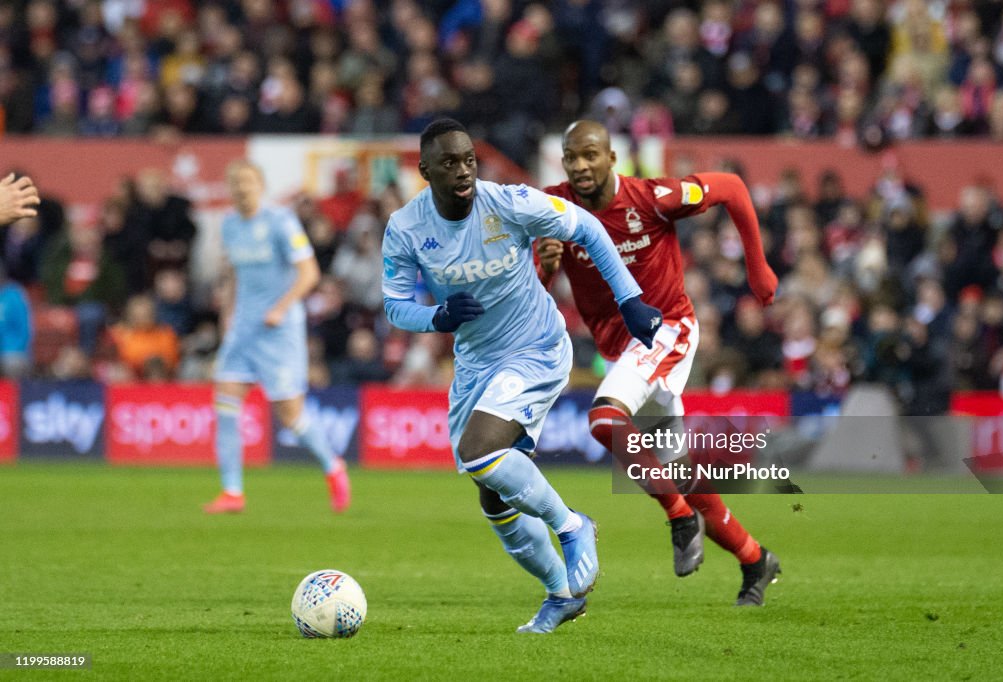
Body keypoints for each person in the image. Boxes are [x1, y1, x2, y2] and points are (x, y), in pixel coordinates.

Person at [382, 118, 663, 633]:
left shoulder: (508, 202)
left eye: (468, 159)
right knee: (493, 494)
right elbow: (395, 306)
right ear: (424, 171)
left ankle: (574, 525)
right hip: (475, 364)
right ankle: (562, 594)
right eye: (449, 163)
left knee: (479, 451)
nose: (464, 170)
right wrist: (436, 318)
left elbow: (588, 227)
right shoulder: (405, 228)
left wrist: (630, 300)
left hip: (535, 347)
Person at [536, 120, 781, 606]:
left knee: (604, 419)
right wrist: (544, 268)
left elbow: (730, 187)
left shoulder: (652, 198)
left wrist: (758, 266)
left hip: (667, 329)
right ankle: (756, 559)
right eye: (571, 158)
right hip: (621, 349)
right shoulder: (553, 209)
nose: (581, 166)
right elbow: (535, 296)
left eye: (590, 155)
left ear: (612, 159)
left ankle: (676, 516)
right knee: (682, 474)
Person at [204, 160, 351, 514]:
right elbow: (234, 276)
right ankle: (233, 492)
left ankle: (333, 466)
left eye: (250, 181)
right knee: (225, 402)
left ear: (261, 185)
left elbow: (309, 273)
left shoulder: (280, 222)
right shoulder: (229, 225)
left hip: (279, 330)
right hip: (243, 329)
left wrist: (280, 309)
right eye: (237, 182)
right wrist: (228, 317)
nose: (243, 188)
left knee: (290, 414)